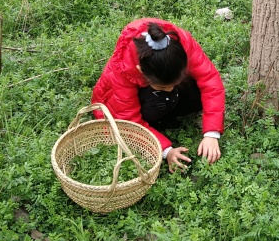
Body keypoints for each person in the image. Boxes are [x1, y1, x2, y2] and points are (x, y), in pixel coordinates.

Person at [91, 18, 225, 173]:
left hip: (154, 88)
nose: (169, 89)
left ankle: (165, 107)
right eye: (163, 86)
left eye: (174, 82)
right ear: (141, 71)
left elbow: (210, 80)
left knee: (195, 92)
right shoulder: (122, 70)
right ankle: (157, 116)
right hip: (125, 103)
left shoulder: (182, 43)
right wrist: (166, 151)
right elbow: (128, 120)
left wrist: (212, 133)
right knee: (160, 100)